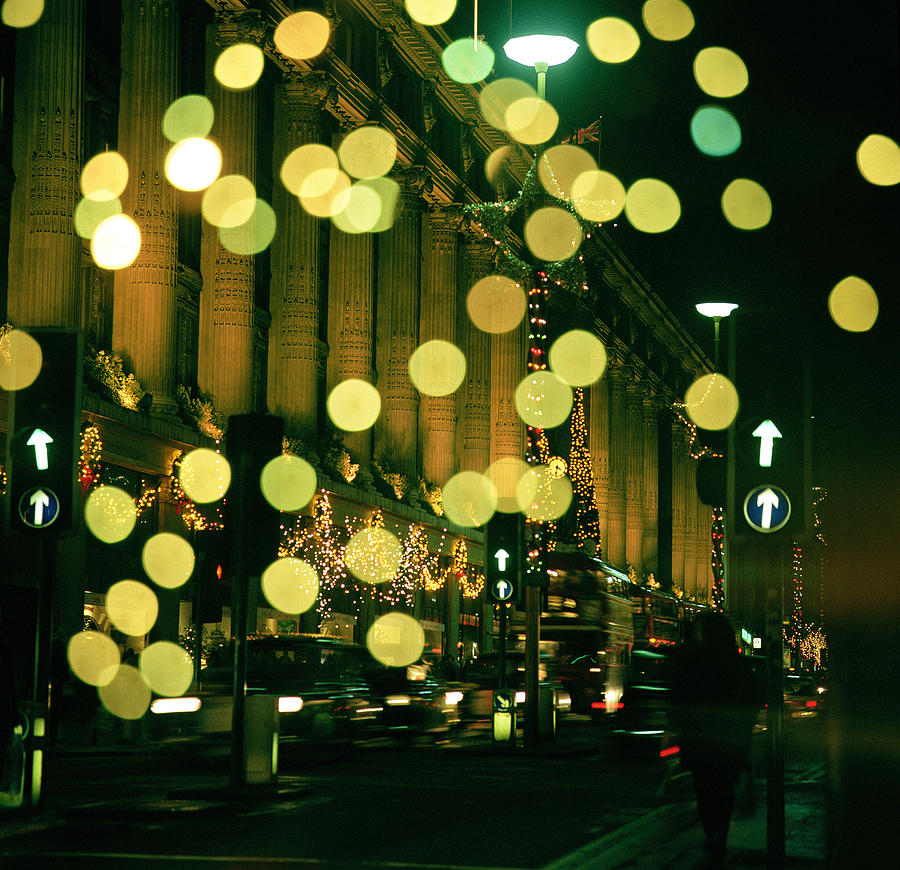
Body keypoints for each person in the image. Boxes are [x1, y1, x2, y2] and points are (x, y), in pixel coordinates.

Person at [669, 611, 761, 868]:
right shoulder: (737, 664)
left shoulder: (693, 663)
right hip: (729, 742)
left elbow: (679, 700)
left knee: (705, 791)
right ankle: (718, 837)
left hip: (700, 742)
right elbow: (750, 701)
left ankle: (713, 835)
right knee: (723, 791)